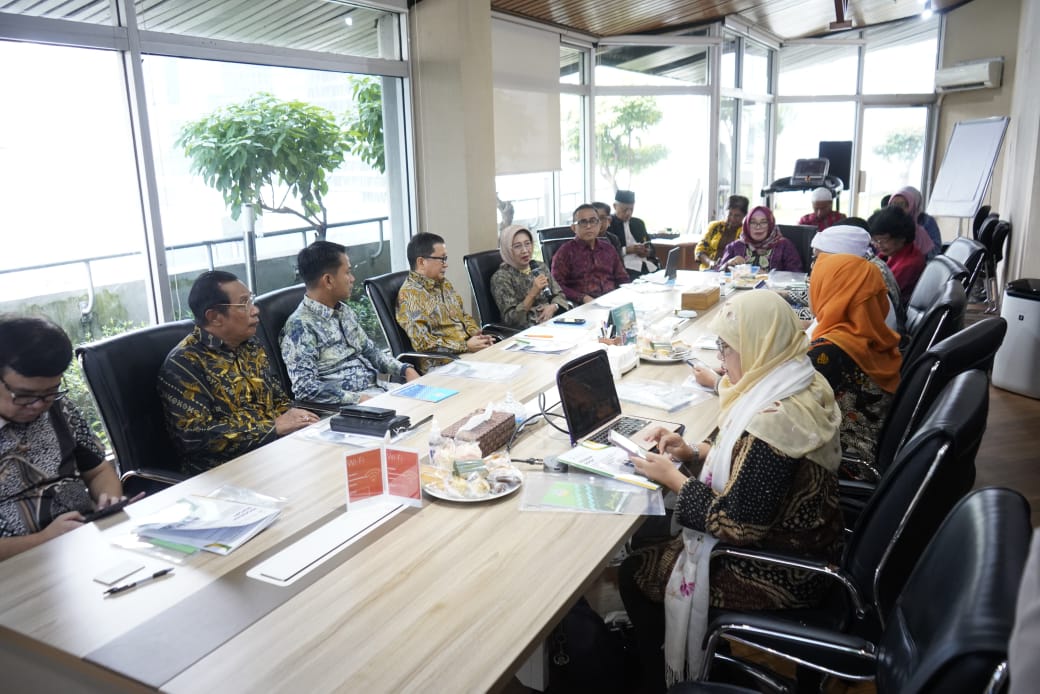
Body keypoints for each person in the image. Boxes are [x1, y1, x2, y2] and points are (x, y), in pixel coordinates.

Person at [619, 291, 843, 690]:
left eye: (727, 349)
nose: (722, 362)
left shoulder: (774, 421)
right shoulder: (796, 378)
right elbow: (750, 460)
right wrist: (694, 452)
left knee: (635, 571)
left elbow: (738, 525)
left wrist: (674, 478)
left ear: (758, 344)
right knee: (653, 541)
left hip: (782, 568)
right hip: (812, 542)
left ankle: (672, 679)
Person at [158, 271, 318, 476]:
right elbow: (194, 437)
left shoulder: (251, 345)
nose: (255, 310)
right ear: (214, 317)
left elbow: (278, 401)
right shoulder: (184, 363)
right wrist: (272, 428)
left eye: (251, 300)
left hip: (275, 455)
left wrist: (300, 419)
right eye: (244, 304)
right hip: (222, 473)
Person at [0, 315, 125, 560]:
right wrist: (43, 540)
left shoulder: (59, 408)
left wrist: (108, 500)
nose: (38, 405)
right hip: (17, 566)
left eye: (50, 391)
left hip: (82, 545)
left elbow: (98, 471)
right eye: (24, 395)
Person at [280, 241, 419, 406]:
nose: (352, 279)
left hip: (377, 392)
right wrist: (359, 399)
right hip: (350, 408)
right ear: (328, 280)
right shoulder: (300, 326)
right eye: (347, 272)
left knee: (432, 402)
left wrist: (405, 369)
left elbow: (371, 352)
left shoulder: (344, 311)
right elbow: (305, 388)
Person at [808, 253, 902, 463]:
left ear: (832, 292)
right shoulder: (874, 335)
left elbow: (783, 398)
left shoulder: (830, 351)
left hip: (846, 457)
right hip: (870, 445)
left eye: (814, 283)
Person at [396, 232, 495, 360]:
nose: (446, 264)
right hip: (444, 361)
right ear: (421, 262)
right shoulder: (410, 295)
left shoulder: (444, 284)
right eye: (442, 259)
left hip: (467, 352)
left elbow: (463, 316)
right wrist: (465, 346)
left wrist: (478, 335)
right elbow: (423, 342)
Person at [811, 225, 905, 334]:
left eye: (819, 259)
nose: (814, 265)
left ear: (840, 259)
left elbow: (833, 329)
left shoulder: (862, 278)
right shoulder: (865, 267)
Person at [490, 225, 570, 328]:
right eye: (517, 246)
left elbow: (559, 295)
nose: (524, 250)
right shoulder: (501, 278)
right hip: (527, 330)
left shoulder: (539, 266)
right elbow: (511, 319)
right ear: (507, 250)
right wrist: (533, 292)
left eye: (527, 244)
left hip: (553, 321)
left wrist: (553, 307)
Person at [551, 204, 631, 304]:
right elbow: (556, 286)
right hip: (583, 305)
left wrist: (624, 295)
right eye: (583, 222)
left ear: (599, 225)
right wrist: (582, 297)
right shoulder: (565, 252)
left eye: (593, 221)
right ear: (573, 228)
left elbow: (623, 278)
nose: (589, 226)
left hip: (613, 302)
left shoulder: (608, 249)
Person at [717, 205, 803, 272]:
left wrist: (768, 277)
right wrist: (728, 264)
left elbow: (796, 276)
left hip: (773, 290)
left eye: (764, 222)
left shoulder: (784, 246)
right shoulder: (734, 247)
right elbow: (718, 273)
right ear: (747, 225)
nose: (758, 227)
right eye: (753, 222)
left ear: (770, 224)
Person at [869, 205, 925, 304]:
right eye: (874, 240)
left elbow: (880, 295)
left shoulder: (909, 265)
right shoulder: (890, 253)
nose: (878, 245)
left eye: (883, 240)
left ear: (901, 237)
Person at [608, 190, 660, 281]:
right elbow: (607, 253)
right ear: (615, 206)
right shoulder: (609, 224)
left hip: (646, 265)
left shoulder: (638, 223)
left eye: (631, 209)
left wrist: (647, 251)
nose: (628, 213)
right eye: (625, 210)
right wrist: (627, 250)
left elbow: (650, 246)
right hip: (625, 268)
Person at [695, 195, 749, 270]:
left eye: (737, 216)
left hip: (732, 272)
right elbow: (700, 250)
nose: (732, 218)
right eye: (730, 214)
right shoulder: (714, 227)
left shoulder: (746, 232)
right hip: (708, 270)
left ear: (744, 216)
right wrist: (710, 263)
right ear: (725, 212)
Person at [888, 186, 938, 259]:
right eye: (893, 204)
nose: (897, 208)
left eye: (902, 204)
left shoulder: (922, 227)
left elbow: (935, 250)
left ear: (913, 204)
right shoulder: (886, 224)